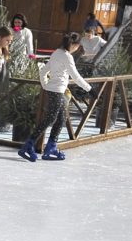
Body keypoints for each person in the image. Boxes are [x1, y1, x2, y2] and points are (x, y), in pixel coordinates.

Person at [18, 33, 96, 162]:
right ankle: (28, 144)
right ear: (73, 44)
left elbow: (43, 71)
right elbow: (75, 77)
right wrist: (90, 89)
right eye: (78, 45)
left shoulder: (56, 53)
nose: (78, 48)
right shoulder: (67, 56)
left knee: (60, 119)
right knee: (50, 119)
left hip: (53, 90)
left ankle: (51, 147)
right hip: (58, 91)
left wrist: (45, 85)